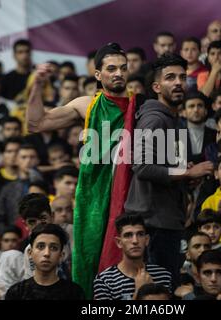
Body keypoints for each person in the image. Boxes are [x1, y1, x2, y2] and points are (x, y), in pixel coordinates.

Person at [27, 43, 143, 297]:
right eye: (111, 69)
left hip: (134, 193)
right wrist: (37, 85)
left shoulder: (142, 106)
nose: (118, 74)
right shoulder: (87, 105)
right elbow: (37, 123)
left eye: (122, 68)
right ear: (98, 75)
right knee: (90, 260)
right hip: (93, 199)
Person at [124, 53, 213, 286]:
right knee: (157, 295)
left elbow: (164, 168)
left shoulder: (173, 120)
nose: (178, 83)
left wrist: (184, 174)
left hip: (165, 221)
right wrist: (187, 173)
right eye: (170, 77)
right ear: (156, 86)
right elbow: (142, 166)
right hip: (153, 225)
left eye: (182, 77)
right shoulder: (154, 118)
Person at [93, 214, 172, 300]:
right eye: (128, 235)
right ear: (119, 242)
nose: (135, 241)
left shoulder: (163, 275)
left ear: (146, 240)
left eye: (140, 234)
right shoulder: (105, 281)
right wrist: (139, 291)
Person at [6, 224, 85, 300]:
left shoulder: (74, 293)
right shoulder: (16, 293)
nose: (47, 253)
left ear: (61, 255)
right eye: (41, 246)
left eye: (53, 248)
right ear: (30, 253)